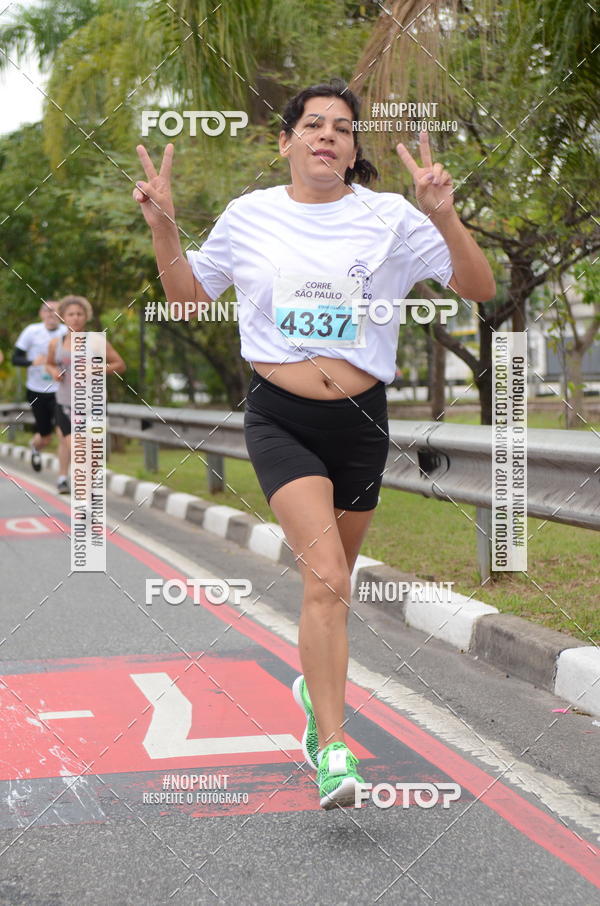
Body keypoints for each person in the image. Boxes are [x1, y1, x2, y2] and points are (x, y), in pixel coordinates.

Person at [133, 78, 495, 808]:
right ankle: (334, 751)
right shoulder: (249, 215)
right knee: (326, 577)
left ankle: (313, 691)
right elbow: (186, 298)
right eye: (313, 125)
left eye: (342, 128)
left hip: (362, 420)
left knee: (335, 588)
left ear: (354, 148)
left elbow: (479, 287)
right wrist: (165, 225)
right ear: (286, 141)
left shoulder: (389, 216)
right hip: (280, 416)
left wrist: (446, 216)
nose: (328, 135)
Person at [46, 295, 126, 494]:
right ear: (63, 317)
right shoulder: (56, 343)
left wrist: (95, 369)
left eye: (80, 314)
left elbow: (120, 365)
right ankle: (72, 482)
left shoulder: (96, 340)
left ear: (86, 317)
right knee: (77, 448)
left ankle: (89, 491)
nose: (75, 318)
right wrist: (53, 372)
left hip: (94, 404)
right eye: (71, 314)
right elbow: (49, 363)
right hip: (66, 403)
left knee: (91, 451)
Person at [12, 300, 67, 471]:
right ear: (41, 314)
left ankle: (63, 477)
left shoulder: (67, 332)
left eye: (55, 311)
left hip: (61, 391)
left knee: (63, 433)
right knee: (45, 437)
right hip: (36, 390)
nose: (51, 314)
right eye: (47, 310)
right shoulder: (31, 331)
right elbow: (15, 358)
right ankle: (35, 447)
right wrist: (32, 361)